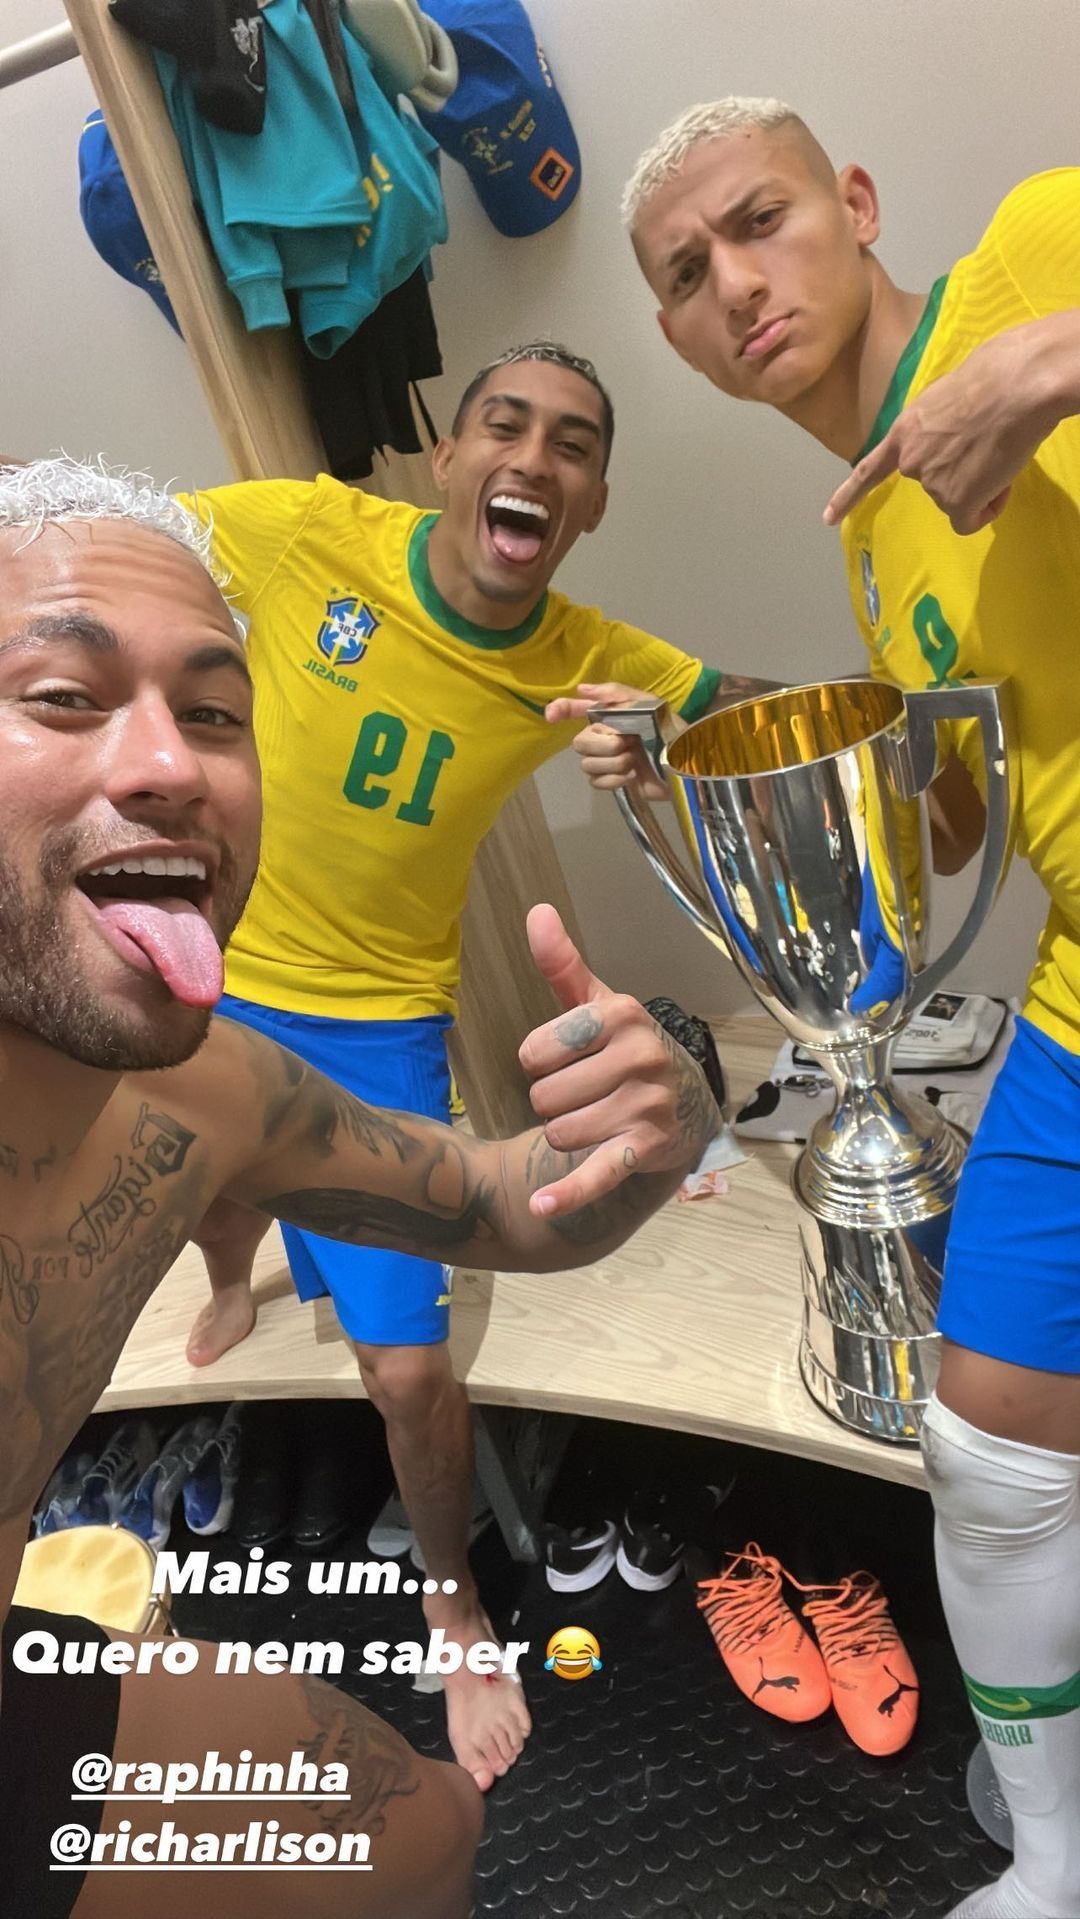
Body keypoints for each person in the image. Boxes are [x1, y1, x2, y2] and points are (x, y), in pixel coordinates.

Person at [0, 455, 719, 1919]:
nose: (172, 765)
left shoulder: (211, 1094)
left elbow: (501, 1203)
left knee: (430, 1826)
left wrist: (664, 1123)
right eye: (65, 697)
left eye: (217, 714)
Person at [616, 96, 1080, 1919]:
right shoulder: (875, 527)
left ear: (859, 203)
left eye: (762, 222)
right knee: (986, 1446)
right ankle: (1055, 1854)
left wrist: (1044, 361)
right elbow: (957, 812)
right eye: (688, 273)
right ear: (676, 337)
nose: (736, 284)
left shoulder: (1031, 255)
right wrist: (715, 766)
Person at [174, 340, 749, 1792]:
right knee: (213, 1201)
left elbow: (752, 715)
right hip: (208, 967)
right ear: (447, 457)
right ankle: (233, 1279)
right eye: (505, 424)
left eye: (574, 446)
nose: (534, 459)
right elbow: (95, 538)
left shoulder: (584, 658)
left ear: (592, 504)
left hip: (376, 1026)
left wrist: (664, 752)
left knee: (412, 1373)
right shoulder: (304, 530)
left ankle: (451, 1604)